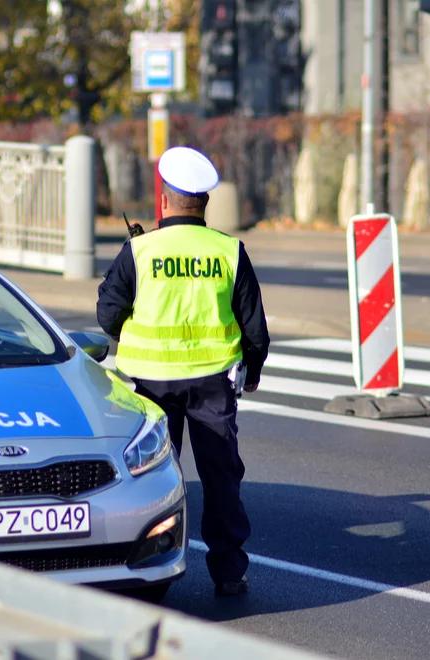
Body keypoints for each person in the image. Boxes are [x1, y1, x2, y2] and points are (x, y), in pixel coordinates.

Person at [96, 146, 269, 597]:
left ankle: (154, 573)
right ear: (204, 202)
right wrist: (252, 371)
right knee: (221, 479)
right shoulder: (229, 251)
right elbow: (255, 327)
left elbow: (107, 313)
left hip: (149, 386)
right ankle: (229, 571)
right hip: (213, 386)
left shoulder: (140, 250)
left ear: (165, 200)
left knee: (154, 479)